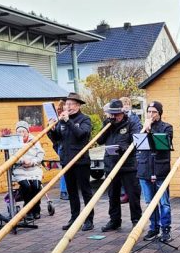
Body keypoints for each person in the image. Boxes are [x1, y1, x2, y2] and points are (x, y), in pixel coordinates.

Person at [49, 92, 94, 231]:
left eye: (71, 104)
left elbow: (81, 135)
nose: (68, 107)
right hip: (66, 160)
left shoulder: (85, 119)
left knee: (86, 191)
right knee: (71, 192)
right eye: (67, 104)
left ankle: (88, 220)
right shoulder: (62, 120)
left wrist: (68, 121)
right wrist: (51, 130)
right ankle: (74, 218)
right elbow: (57, 138)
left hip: (81, 161)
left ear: (78, 105)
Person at [97, 99, 142, 232]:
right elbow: (99, 141)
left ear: (123, 112)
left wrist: (122, 148)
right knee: (112, 194)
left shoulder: (132, 123)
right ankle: (114, 220)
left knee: (133, 194)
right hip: (111, 163)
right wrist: (107, 125)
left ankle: (136, 220)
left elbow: (136, 142)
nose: (115, 117)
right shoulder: (108, 124)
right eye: (113, 114)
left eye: (117, 114)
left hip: (128, 165)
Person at [137, 101, 173, 242]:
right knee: (149, 202)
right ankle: (153, 228)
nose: (151, 115)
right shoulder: (142, 127)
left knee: (164, 203)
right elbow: (137, 145)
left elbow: (163, 146)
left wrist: (149, 130)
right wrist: (145, 129)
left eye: (154, 112)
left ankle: (166, 229)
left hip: (160, 170)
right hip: (145, 169)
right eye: (149, 112)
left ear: (159, 113)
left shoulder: (167, 127)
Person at [13, 121, 45, 219]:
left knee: (36, 186)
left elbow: (40, 154)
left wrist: (32, 162)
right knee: (26, 186)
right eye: (19, 131)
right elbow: (11, 156)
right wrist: (22, 161)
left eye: (23, 131)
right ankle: (28, 209)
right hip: (20, 168)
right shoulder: (14, 141)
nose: (22, 133)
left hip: (34, 167)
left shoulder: (34, 140)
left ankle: (36, 209)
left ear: (27, 131)